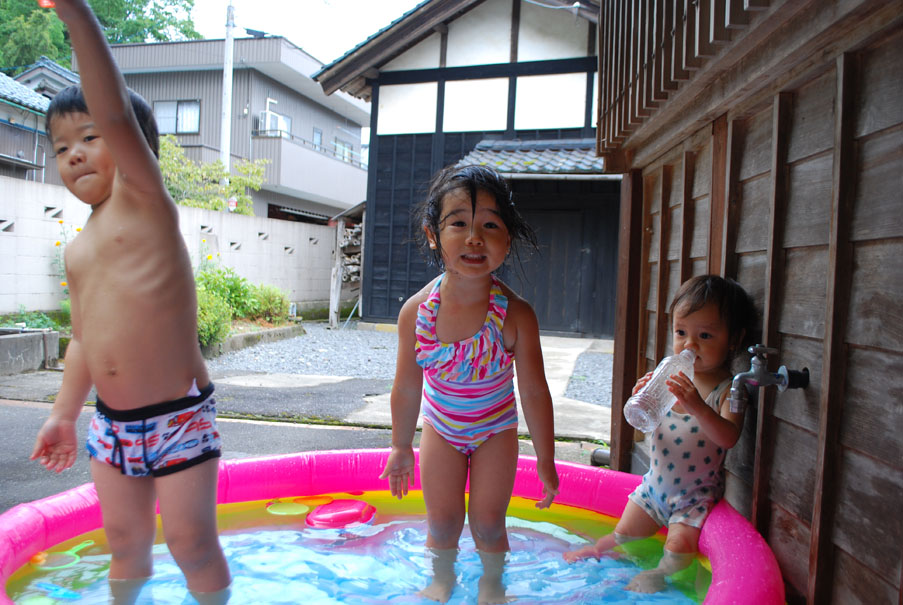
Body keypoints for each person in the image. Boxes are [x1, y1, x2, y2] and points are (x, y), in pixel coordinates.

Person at [29, 1, 231, 603]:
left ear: (134, 146)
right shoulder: (78, 250)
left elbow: (114, 108)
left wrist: (76, 17)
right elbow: (83, 339)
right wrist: (64, 413)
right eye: (61, 146)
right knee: (123, 542)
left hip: (177, 418)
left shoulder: (145, 204)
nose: (73, 153)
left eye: (90, 137)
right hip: (111, 427)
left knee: (192, 544)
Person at [379, 164, 560, 604]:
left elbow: (534, 392)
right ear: (433, 235)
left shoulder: (516, 315)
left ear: (507, 240)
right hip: (441, 429)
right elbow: (407, 388)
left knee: (488, 524)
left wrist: (546, 457)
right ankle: (442, 580)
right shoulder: (416, 312)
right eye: (458, 224)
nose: (474, 238)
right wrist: (400, 445)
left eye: (490, 226)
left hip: (495, 430)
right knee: (442, 523)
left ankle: (492, 586)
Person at [563, 275, 757, 593]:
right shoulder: (670, 377)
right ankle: (597, 550)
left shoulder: (727, 390)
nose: (689, 345)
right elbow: (644, 425)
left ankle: (659, 574)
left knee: (679, 550)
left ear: (734, 339)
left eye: (705, 335)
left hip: (693, 498)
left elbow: (728, 437)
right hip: (653, 489)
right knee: (623, 535)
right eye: (681, 333)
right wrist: (641, 399)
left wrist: (698, 407)